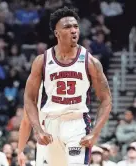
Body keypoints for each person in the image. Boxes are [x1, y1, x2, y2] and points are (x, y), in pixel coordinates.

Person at [24, 6, 112, 166]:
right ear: (56, 33)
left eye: (75, 26)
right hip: (50, 124)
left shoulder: (91, 61)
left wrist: (95, 133)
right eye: (67, 27)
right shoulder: (42, 61)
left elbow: (106, 99)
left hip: (77, 124)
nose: (73, 30)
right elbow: (29, 98)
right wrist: (37, 129)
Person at [18, 83, 45, 166]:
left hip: (46, 141)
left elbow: (26, 122)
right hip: (73, 133)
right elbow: (26, 122)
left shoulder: (35, 85)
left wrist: (20, 151)